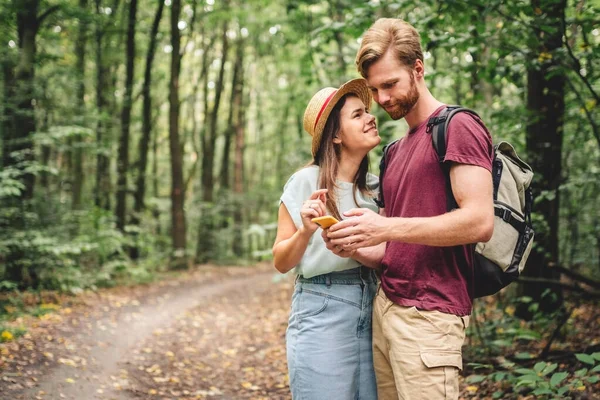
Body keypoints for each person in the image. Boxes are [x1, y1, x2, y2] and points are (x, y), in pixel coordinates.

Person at [324, 18, 495, 400]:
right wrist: (353, 244)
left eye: (390, 84)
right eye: (374, 89)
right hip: (386, 310)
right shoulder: (394, 151)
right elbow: (392, 248)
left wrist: (386, 228)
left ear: (418, 69)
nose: (382, 99)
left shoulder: (457, 126)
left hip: (431, 316)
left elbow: (480, 221)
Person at [272, 78, 382, 400]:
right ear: (335, 135)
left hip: (374, 307)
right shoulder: (305, 182)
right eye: (357, 115)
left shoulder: (376, 188)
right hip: (323, 308)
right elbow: (281, 261)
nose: (370, 118)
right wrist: (306, 231)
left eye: (367, 112)